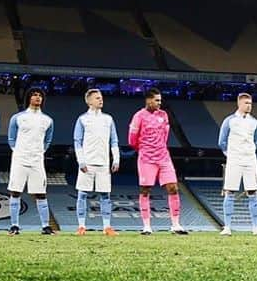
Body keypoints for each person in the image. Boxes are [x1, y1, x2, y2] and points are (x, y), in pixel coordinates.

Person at [128, 88, 187, 235]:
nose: (159, 103)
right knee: (145, 190)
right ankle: (147, 226)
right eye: (157, 100)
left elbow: (165, 135)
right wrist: (144, 148)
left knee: (173, 187)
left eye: (160, 100)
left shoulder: (164, 115)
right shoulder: (139, 116)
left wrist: (160, 147)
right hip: (146, 158)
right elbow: (132, 140)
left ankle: (175, 225)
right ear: (148, 100)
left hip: (163, 157)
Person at [218, 92, 257, 236]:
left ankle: (256, 227)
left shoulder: (255, 122)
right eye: (246, 103)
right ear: (239, 103)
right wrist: (230, 154)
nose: (249, 106)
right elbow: (222, 141)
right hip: (234, 159)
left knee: (253, 192)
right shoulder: (229, 121)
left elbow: (256, 140)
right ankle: (227, 227)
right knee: (230, 191)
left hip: (250, 160)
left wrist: (249, 152)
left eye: (250, 103)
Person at [7, 87, 55, 235]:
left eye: (40, 95)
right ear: (28, 98)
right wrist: (19, 152)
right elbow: (11, 138)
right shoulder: (18, 118)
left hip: (37, 161)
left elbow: (48, 140)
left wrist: (39, 152)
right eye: (34, 95)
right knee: (15, 192)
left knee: (40, 193)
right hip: (20, 159)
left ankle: (46, 227)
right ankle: (14, 226)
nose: (37, 97)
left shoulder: (48, 120)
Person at [73, 88, 120, 236]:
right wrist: (81, 161)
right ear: (89, 101)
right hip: (87, 163)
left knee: (105, 195)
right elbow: (77, 141)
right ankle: (81, 226)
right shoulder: (82, 119)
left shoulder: (108, 119)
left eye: (101, 97)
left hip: (104, 163)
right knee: (82, 194)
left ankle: (107, 227)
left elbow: (114, 141)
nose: (101, 100)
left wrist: (116, 158)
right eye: (97, 98)